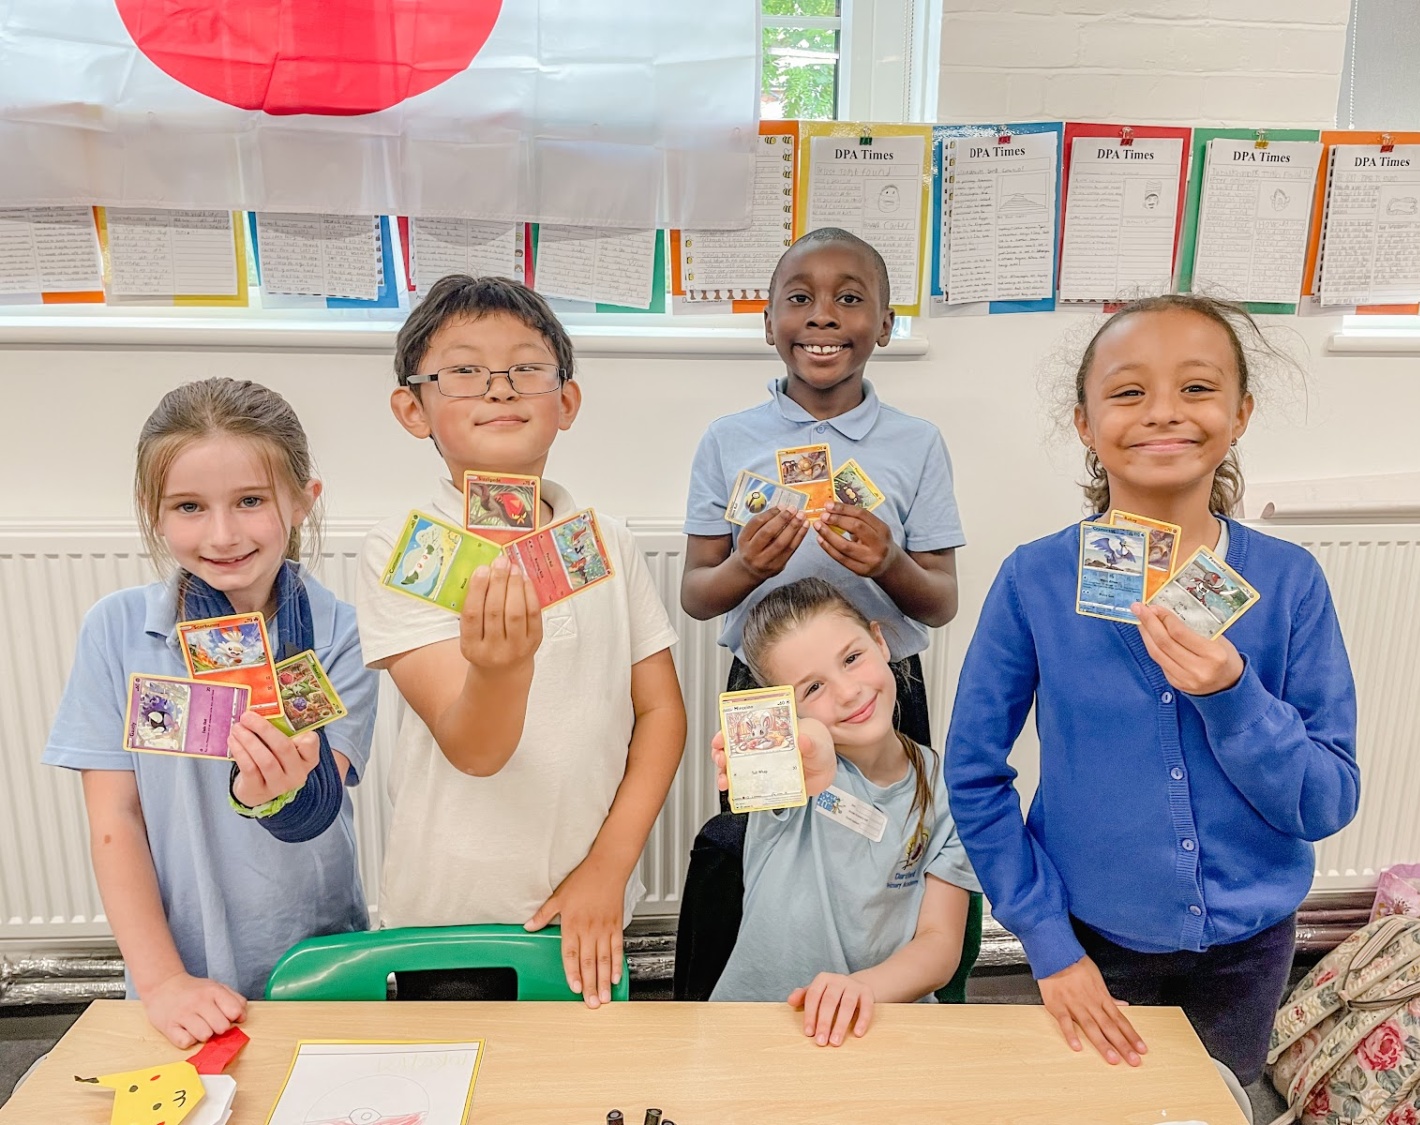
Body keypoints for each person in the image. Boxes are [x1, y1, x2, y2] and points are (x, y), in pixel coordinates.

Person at [945, 295, 1359, 1087]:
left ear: (1240, 414)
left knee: (1212, 1102)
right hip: (1091, 944)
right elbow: (973, 774)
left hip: (1250, 950)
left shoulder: (1290, 582)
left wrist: (1233, 692)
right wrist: (1049, 944)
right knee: (1099, 1107)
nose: (1163, 412)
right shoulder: (1035, 579)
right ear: (1085, 422)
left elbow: (1327, 799)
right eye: (1129, 392)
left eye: (1197, 388)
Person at [355, 274, 687, 1007]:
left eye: (526, 368)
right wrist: (500, 670)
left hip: (588, 915)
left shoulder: (606, 542)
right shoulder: (404, 549)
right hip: (449, 921)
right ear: (415, 408)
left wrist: (608, 865)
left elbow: (662, 714)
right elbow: (475, 748)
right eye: (465, 371)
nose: (499, 388)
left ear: (565, 400)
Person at [43, 378, 377, 1047]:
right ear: (153, 510)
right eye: (190, 506)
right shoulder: (116, 632)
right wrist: (164, 981)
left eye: (250, 500)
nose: (222, 534)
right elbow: (115, 817)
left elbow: (317, 801)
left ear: (302, 500)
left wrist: (269, 798)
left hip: (317, 965)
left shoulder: (341, 632)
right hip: (176, 976)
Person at [675, 228, 964, 998]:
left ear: (887, 324)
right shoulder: (729, 440)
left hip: (880, 684)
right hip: (770, 693)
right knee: (772, 857)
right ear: (769, 322)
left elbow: (940, 599)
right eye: (798, 299)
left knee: (896, 857)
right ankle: (763, 1003)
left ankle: (887, 992)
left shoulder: (916, 444)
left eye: (849, 298)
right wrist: (746, 567)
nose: (823, 316)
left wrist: (889, 563)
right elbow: (697, 594)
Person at [709, 578, 978, 1046]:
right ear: (783, 712)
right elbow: (803, 750)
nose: (849, 693)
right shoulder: (788, 770)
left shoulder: (947, 786)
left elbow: (940, 945)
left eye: (852, 659)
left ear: (879, 641)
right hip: (761, 1028)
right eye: (812, 688)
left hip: (881, 1025)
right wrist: (807, 746)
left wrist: (861, 991)